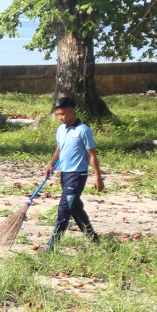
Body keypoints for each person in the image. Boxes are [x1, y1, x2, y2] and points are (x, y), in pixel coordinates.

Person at [46, 95, 104, 249]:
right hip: (65, 174)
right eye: (58, 114)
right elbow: (59, 148)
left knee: (64, 209)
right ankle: (95, 241)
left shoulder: (83, 130)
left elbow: (92, 155)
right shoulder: (61, 130)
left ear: (72, 112)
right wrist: (51, 165)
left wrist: (98, 177)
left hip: (78, 175)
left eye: (63, 114)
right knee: (76, 209)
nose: (60, 117)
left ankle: (52, 247)